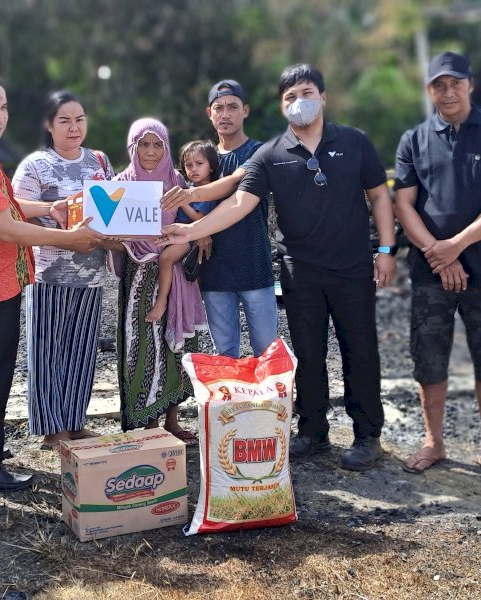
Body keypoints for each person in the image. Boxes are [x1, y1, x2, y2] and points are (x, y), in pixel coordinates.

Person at [160, 64, 397, 471]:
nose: (298, 103)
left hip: (352, 268)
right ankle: (312, 432)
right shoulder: (271, 154)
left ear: (323, 97)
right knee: (306, 352)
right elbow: (238, 203)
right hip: (299, 270)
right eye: (289, 97)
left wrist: (388, 248)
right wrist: (190, 231)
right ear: (281, 105)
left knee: (359, 350)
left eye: (306, 93)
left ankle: (366, 435)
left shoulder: (354, 142)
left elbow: (378, 194)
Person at [0, 71, 103, 491]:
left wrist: (51, 207)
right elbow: (4, 226)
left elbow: (4, 204)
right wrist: (67, 237)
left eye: (3, 106)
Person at [394, 52, 481, 485]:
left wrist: (456, 247)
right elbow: (403, 204)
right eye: (438, 85)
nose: (447, 92)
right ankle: (434, 442)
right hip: (430, 271)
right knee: (428, 360)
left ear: (471, 84)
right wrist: (437, 252)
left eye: (456, 83)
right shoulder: (413, 139)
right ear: (429, 89)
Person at [11, 91, 114, 451]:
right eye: (65, 121)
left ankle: (74, 421)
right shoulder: (36, 165)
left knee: (81, 351)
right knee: (47, 352)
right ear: (49, 125)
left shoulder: (99, 161)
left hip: (91, 274)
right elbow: (11, 207)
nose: (74, 127)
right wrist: (49, 208)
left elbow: (115, 208)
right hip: (49, 273)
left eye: (80, 119)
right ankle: (52, 430)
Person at [163, 80, 276, 358]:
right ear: (209, 113)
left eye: (233, 107)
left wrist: (188, 197)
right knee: (224, 352)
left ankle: (270, 403)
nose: (225, 114)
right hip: (213, 271)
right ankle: (229, 403)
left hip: (254, 266)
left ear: (245, 111)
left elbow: (230, 186)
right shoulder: (200, 158)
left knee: (267, 350)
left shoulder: (259, 153)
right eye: (219, 108)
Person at [111, 118, 206, 443]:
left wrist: (190, 237)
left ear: (166, 148)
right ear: (132, 147)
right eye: (144, 144)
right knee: (143, 346)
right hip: (138, 278)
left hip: (175, 274)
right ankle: (148, 426)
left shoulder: (175, 180)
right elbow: (106, 236)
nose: (150, 152)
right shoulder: (120, 184)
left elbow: (195, 219)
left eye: (157, 145)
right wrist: (120, 237)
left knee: (174, 346)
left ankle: (172, 421)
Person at [146, 139, 220, 322]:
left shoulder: (208, 190)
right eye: (188, 165)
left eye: (199, 164)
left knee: (165, 258)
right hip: (178, 233)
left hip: (190, 236)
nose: (193, 169)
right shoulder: (191, 188)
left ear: (211, 167)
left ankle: (162, 301)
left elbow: (200, 220)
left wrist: (183, 200)